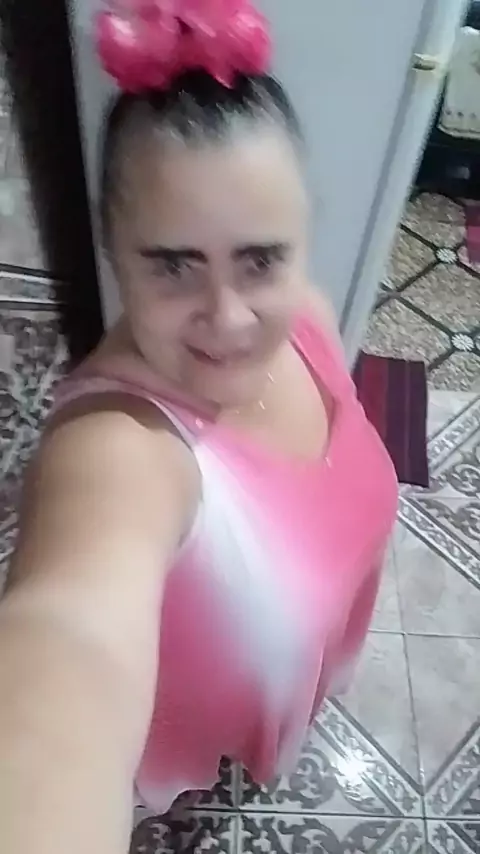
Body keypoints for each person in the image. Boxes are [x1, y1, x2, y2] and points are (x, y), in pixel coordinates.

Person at [0, 2, 398, 853]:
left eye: (260, 260)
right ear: (113, 251)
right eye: (174, 266)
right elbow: (69, 634)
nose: (229, 319)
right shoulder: (117, 451)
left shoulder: (310, 318)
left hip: (279, 696)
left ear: (303, 240)